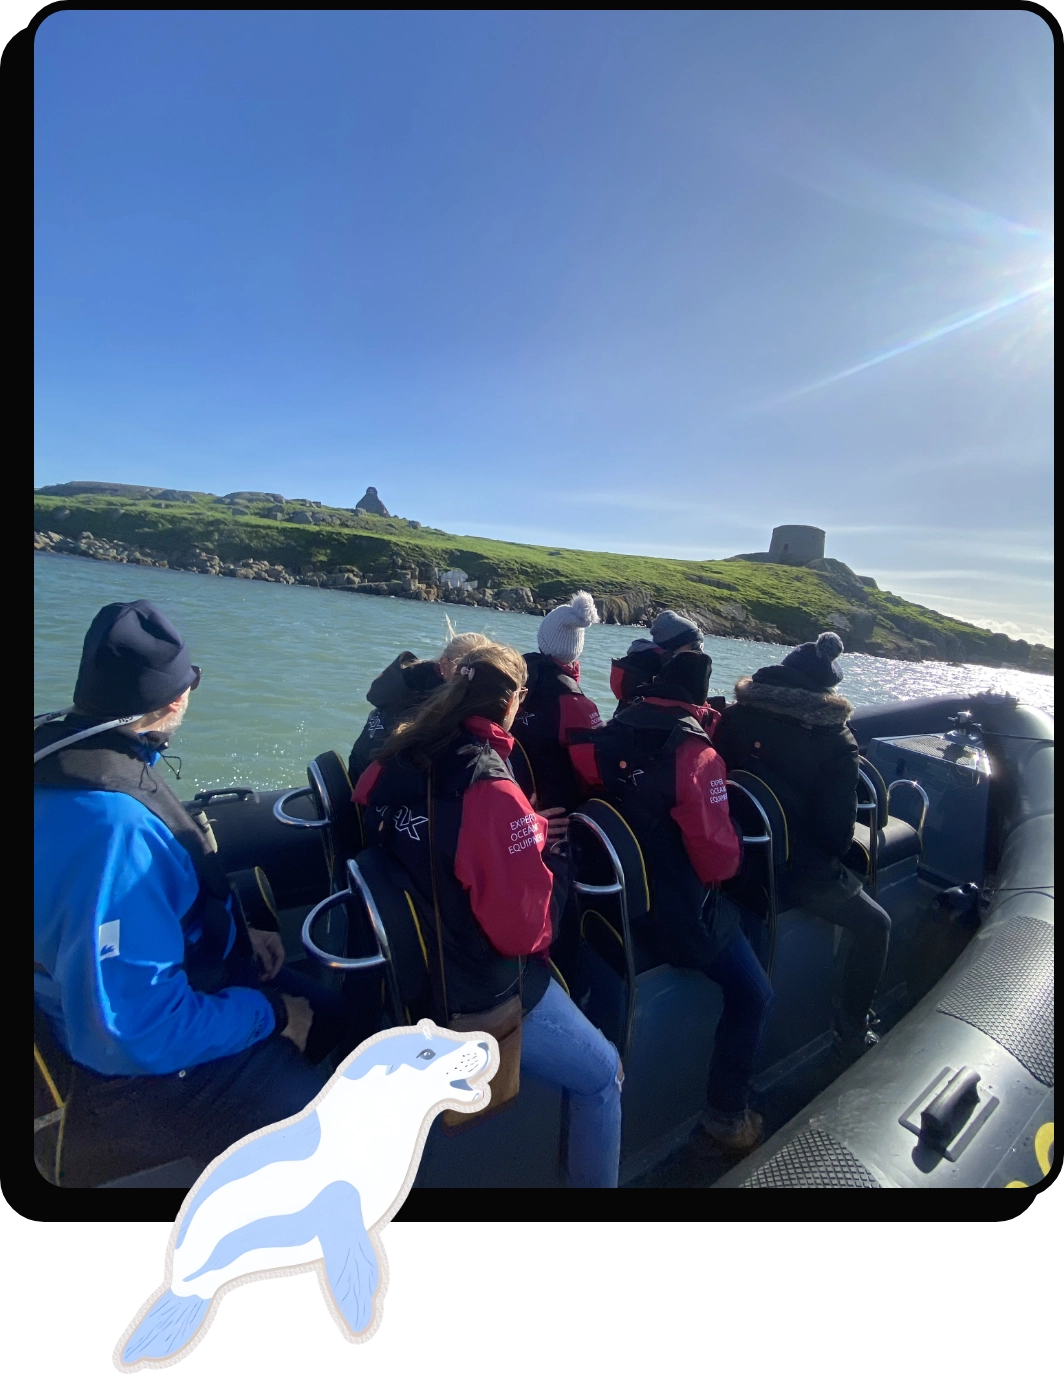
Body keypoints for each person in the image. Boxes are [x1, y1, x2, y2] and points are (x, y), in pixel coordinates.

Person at [34, 600, 352, 1186]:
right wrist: (275, 1014)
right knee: (330, 1136)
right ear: (177, 698)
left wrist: (233, 929)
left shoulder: (57, 750)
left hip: (172, 979)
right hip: (126, 1078)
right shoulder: (115, 832)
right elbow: (132, 1034)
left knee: (342, 1020)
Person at [353, 641, 623, 1188]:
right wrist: (544, 857)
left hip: (410, 967)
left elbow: (390, 812)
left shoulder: (401, 755)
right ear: (514, 701)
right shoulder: (491, 785)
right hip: (477, 989)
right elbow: (523, 933)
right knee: (604, 1076)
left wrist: (525, 830)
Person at [570, 647, 773, 1155]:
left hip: (616, 904)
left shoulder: (615, 726)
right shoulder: (698, 754)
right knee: (755, 995)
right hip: (677, 916)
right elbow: (718, 861)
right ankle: (726, 1116)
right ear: (700, 699)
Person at [712, 631, 891, 1058]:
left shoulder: (737, 716)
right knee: (876, 925)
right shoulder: (835, 741)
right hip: (798, 873)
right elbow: (835, 836)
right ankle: (851, 1028)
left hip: (738, 856)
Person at [347, 623, 491, 784]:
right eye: (466, 671)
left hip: (353, 780)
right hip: (376, 795)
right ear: (444, 665)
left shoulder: (404, 681)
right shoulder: (434, 710)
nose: (472, 680)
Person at [509, 591, 604, 814]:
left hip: (514, 798)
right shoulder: (572, 700)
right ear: (577, 647)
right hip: (558, 812)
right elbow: (594, 771)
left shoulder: (512, 675)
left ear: (543, 639)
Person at [609, 611, 724, 718]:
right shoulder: (657, 677)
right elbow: (682, 705)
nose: (700, 653)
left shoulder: (642, 670)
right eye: (696, 646)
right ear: (671, 649)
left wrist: (721, 704)